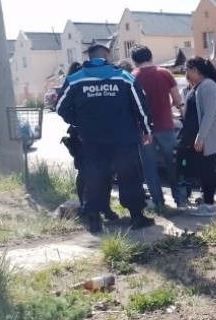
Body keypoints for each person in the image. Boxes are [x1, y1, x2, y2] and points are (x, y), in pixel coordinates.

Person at [56, 44, 154, 232]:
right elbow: (140, 106)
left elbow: (61, 106)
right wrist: (147, 129)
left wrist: (79, 123)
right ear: (107, 56)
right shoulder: (124, 77)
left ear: (90, 57)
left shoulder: (75, 79)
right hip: (124, 138)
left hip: (92, 140)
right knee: (130, 176)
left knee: (95, 176)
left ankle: (94, 220)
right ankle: (136, 217)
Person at [173, 57, 216, 217]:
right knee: (205, 171)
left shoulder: (208, 85)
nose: (185, 74)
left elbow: (209, 114)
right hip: (204, 136)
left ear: (194, 70)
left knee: (206, 171)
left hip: (211, 136)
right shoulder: (201, 86)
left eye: (187, 70)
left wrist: (200, 138)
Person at [59, 61, 118, 222]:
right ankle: (90, 209)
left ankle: (102, 209)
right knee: (89, 173)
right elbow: (62, 108)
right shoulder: (75, 83)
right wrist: (79, 123)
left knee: (103, 173)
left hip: (98, 135)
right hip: (82, 136)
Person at [130, 44, 183, 210]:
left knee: (149, 167)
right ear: (151, 56)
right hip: (166, 124)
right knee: (174, 163)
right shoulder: (164, 73)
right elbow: (177, 99)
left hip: (144, 130)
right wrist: (168, 106)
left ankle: (159, 202)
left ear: (134, 61)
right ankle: (180, 200)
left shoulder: (132, 76)